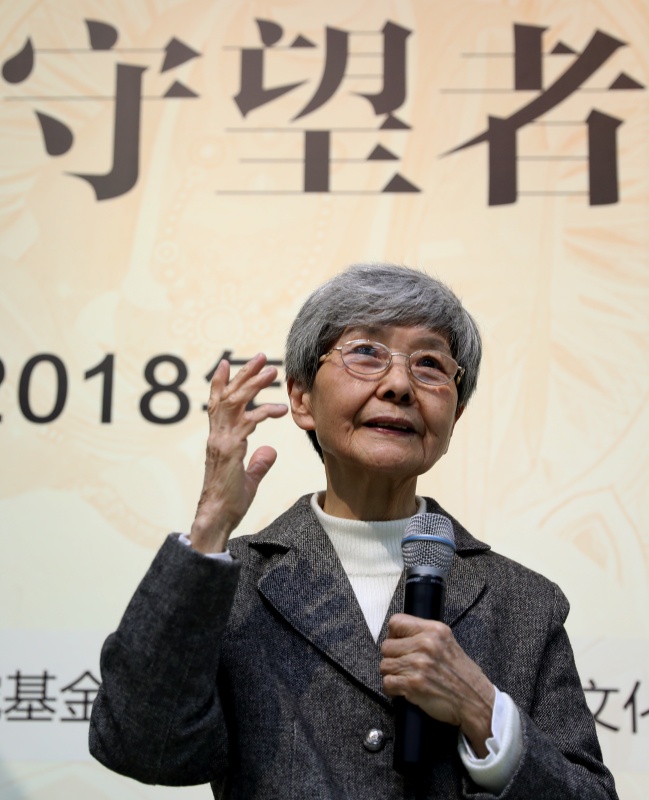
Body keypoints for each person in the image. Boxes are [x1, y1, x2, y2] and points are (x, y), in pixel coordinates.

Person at [89, 264, 618, 799]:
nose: (399, 385)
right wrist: (210, 527)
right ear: (301, 399)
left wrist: (484, 711)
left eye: (429, 364)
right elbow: (140, 745)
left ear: (455, 416)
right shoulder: (234, 584)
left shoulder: (523, 602)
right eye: (366, 352)